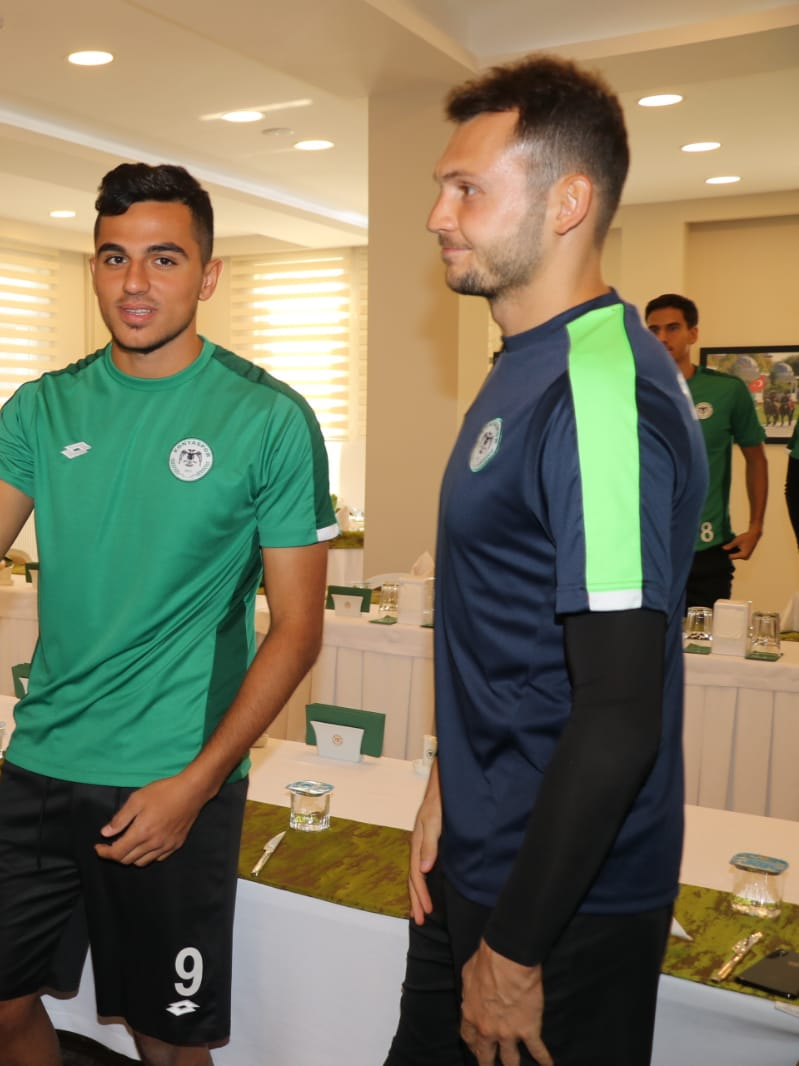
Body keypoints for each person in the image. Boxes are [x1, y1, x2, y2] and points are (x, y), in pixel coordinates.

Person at [0, 163, 335, 1066]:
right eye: (113, 258)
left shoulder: (268, 418)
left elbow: (298, 631)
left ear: (208, 275)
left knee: (166, 1041)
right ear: (93, 268)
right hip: (42, 763)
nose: (134, 283)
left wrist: (197, 785)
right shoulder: (44, 406)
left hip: (170, 774)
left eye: (163, 259)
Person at [386, 57, 706, 1066]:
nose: (436, 216)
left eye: (467, 190)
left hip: (560, 901)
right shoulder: (526, 363)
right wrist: (447, 782)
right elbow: (506, 622)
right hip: (485, 852)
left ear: (567, 203)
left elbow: (617, 711)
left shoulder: (599, 394)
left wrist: (517, 947)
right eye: (442, 187)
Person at [643, 293, 767, 607]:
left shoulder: (727, 390)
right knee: (645, 639)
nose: (662, 337)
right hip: (643, 549)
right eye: (654, 330)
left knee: (704, 637)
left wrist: (755, 527)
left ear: (693, 333)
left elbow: (756, 459)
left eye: (672, 328)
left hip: (707, 551)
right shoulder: (630, 391)